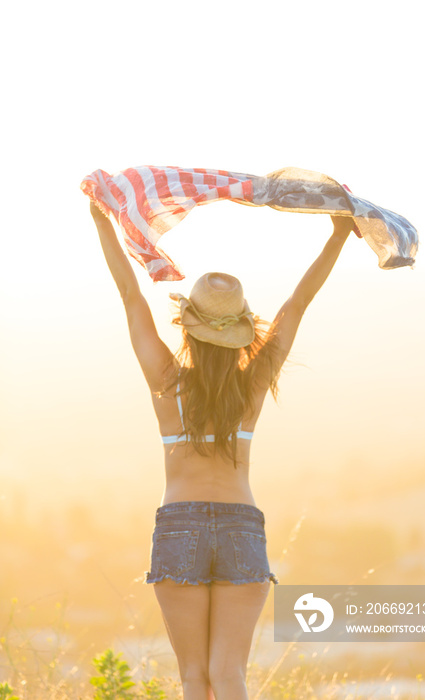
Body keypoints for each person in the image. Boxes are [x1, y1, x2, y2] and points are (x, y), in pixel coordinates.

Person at [89, 201, 356, 700]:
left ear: (188, 326)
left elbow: (131, 298)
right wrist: (338, 236)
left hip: (179, 523)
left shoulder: (168, 385)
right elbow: (296, 305)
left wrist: (102, 219)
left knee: (194, 678)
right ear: (238, 334)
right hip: (239, 522)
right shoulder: (250, 388)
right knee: (229, 676)